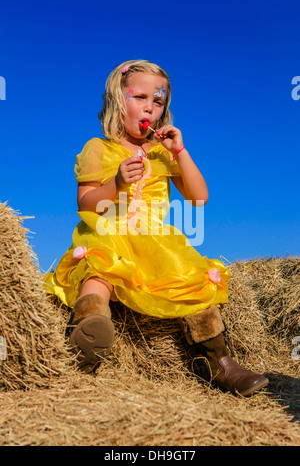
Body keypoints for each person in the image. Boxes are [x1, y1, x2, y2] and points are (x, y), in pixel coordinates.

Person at [44, 60, 269, 396]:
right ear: (117, 100)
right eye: (140, 97)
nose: (150, 106)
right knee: (99, 272)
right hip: (109, 232)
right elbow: (86, 203)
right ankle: (88, 335)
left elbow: (199, 198)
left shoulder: (164, 154)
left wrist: (180, 152)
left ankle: (219, 363)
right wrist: (117, 182)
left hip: (157, 241)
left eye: (159, 101)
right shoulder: (97, 148)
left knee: (189, 282)